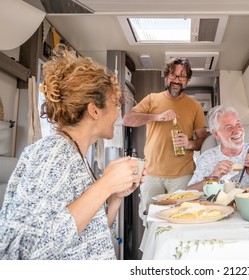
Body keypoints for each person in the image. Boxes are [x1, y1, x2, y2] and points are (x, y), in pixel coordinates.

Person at [0, 44, 145, 259]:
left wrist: (114, 197)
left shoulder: (78, 155)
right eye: (115, 104)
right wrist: (104, 185)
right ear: (94, 110)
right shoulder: (52, 154)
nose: (118, 113)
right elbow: (18, 251)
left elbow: (89, 235)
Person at [122, 57, 207, 215]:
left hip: (183, 176)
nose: (177, 80)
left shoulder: (194, 106)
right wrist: (156, 117)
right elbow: (127, 120)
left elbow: (204, 141)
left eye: (182, 76)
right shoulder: (152, 99)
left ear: (187, 81)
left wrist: (189, 144)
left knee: (183, 217)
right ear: (166, 77)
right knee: (151, 219)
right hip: (151, 175)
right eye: (173, 75)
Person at [187, 104, 249, 191]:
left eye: (238, 124)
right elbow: (190, 191)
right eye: (228, 127)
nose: (237, 131)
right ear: (216, 134)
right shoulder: (206, 157)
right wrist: (213, 177)